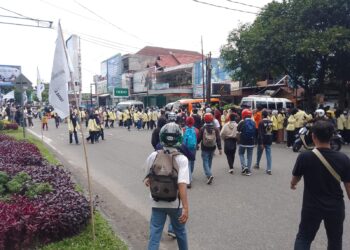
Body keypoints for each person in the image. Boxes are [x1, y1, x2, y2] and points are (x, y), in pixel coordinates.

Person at [291, 120, 350, 250]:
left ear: (313, 136)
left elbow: (296, 177)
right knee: (335, 241)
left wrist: (293, 184)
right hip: (335, 207)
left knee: (304, 237)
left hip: (311, 206)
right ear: (332, 137)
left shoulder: (305, 157)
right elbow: (348, 188)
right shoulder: (343, 158)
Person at [144, 122, 189, 250]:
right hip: (175, 204)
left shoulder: (154, 155)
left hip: (157, 202)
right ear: (179, 137)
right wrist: (185, 207)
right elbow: (182, 184)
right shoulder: (182, 159)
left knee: (155, 233)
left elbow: (147, 178)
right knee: (181, 232)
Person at [197, 113, 222, 184]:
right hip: (212, 147)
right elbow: (218, 139)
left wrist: (196, 144)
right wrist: (220, 148)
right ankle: (209, 172)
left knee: (205, 161)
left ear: (204, 120)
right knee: (210, 160)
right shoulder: (216, 128)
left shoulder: (202, 128)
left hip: (204, 147)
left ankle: (209, 174)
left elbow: (199, 138)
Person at [237, 108, 256, 176]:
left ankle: (244, 167)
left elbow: (237, 130)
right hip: (251, 141)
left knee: (241, 153)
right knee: (249, 156)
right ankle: (248, 170)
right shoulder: (253, 122)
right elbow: (256, 132)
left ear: (243, 115)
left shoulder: (242, 122)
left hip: (243, 141)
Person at [254, 110, 273, 175]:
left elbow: (260, 133)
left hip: (262, 140)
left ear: (262, 115)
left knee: (259, 153)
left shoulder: (261, 122)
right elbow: (271, 131)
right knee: (268, 155)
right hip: (269, 139)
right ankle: (269, 169)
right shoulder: (270, 121)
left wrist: (261, 143)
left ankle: (257, 164)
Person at [182, 116, 199, 187]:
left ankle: (189, 177)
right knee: (192, 161)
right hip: (193, 147)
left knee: (187, 163)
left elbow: (181, 138)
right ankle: (190, 174)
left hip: (185, 148)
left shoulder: (183, 129)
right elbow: (197, 138)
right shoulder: (196, 130)